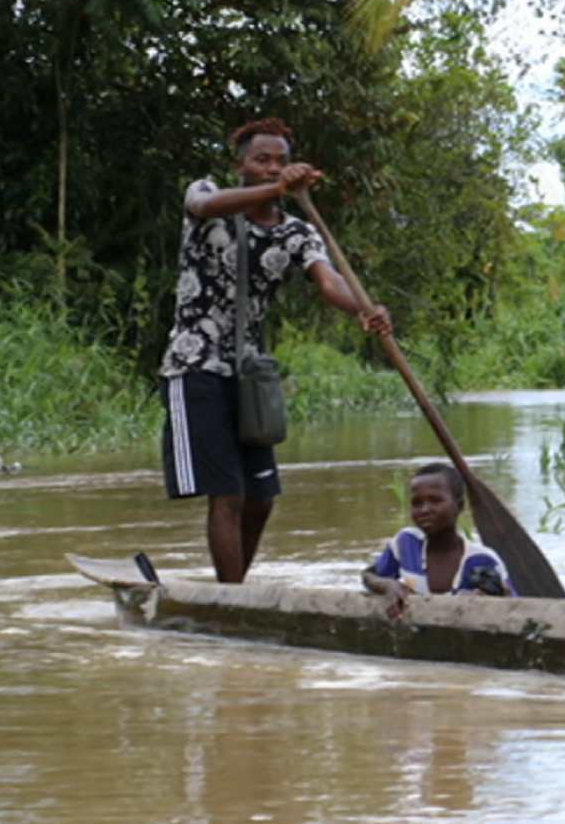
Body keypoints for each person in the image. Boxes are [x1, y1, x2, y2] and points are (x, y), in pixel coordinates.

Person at [160, 117, 392, 584]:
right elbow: (202, 204)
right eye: (262, 160)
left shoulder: (296, 232)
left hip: (250, 376)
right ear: (241, 164)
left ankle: (237, 592)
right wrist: (276, 190)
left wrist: (364, 309)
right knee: (226, 494)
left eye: (281, 161)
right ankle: (231, 598)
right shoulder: (209, 198)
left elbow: (330, 280)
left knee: (260, 497)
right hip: (196, 365)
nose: (271, 168)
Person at [362, 463, 510, 620]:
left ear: (459, 506)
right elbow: (369, 575)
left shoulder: (483, 560)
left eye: (435, 500)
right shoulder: (406, 543)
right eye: (416, 503)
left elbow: (513, 606)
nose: (424, 510)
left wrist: (486, 602)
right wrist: (389, 585)